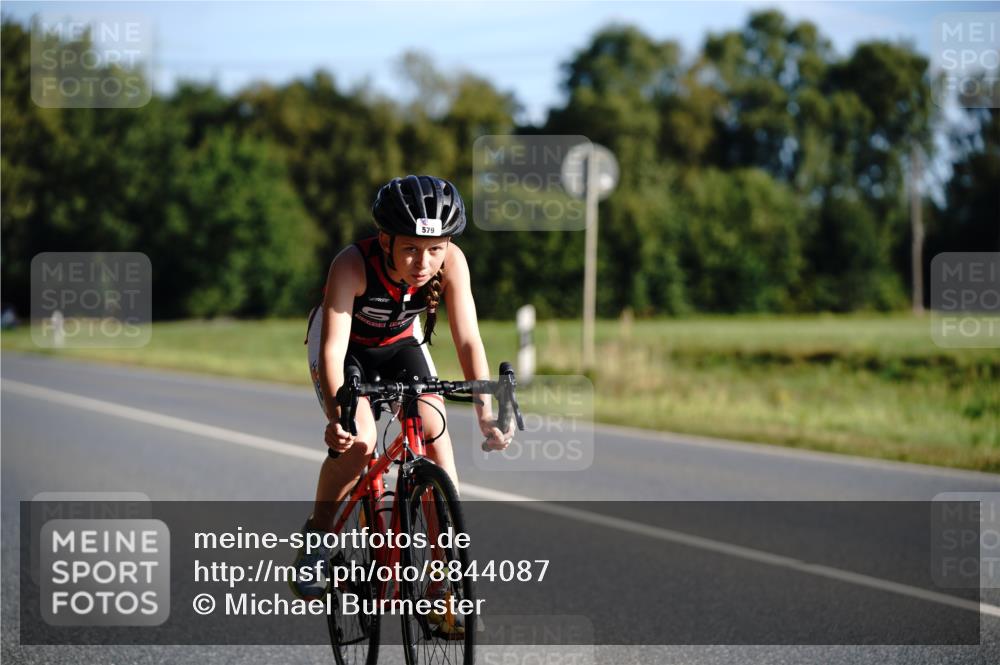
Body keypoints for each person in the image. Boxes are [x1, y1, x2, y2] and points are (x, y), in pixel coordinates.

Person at [292, 175, 512, 609]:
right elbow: (334, 349)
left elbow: (468, 338)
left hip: (399, 343)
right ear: (385, 239)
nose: (423, 262)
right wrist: (340, 417)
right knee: (361, 442)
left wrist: (486, 410)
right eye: (410, 248)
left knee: (436, 438)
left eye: (435, 249)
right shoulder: (351, 265)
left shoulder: (453, 262)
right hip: (347, 348)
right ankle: (317, 540)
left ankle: (439, 581)